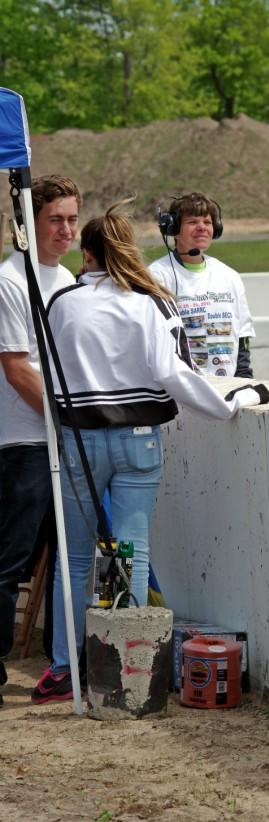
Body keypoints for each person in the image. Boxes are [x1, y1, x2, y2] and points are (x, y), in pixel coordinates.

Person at [31, 200, 269, 704]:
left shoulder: (62, 303)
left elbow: (49, 375)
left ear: (88, 254)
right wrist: (231, 402)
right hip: (140, 438)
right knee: (131, 550)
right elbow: (175, 375)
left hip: (79, 439)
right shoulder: (150, 301)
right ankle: (131, 666)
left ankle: (64, 667)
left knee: (75, 559)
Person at [0, 175, 81, 706]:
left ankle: (61, 666)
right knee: (11, 560)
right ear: (28, 223)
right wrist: (60, 417)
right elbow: (16, 367)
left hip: (61, 438)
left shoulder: (67, 277)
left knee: (69, 557)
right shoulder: (9, 281)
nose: (66, 230)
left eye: (73, 219)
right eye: (56, 219)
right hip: (24, 441)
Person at [149, 192, 255, 378]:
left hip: (227, 389)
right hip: (180, 390)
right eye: (192, 222)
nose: (201, 228)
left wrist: (243, 380)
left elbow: (242, 338)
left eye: (207, 222)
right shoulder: (157, 275)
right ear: (173, 228)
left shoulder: (229, 276)